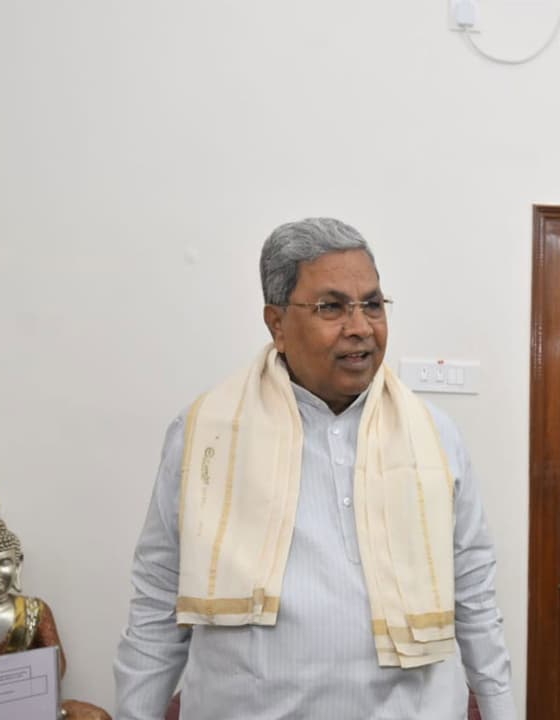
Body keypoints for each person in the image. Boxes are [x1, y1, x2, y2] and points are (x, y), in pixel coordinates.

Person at [114, 218, 515, 719]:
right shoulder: (204, 437)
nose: (361, 327)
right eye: (331, 307)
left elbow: (476, 598)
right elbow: (157, 604)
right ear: (277, 324)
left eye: (372, 304)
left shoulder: (435, 436)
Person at [0, 490, 111, 719]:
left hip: (28, 705)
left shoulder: (35, 610)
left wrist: (26, 693)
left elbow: (55, 667)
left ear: (18, 565)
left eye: (5, 563)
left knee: (96, 716)